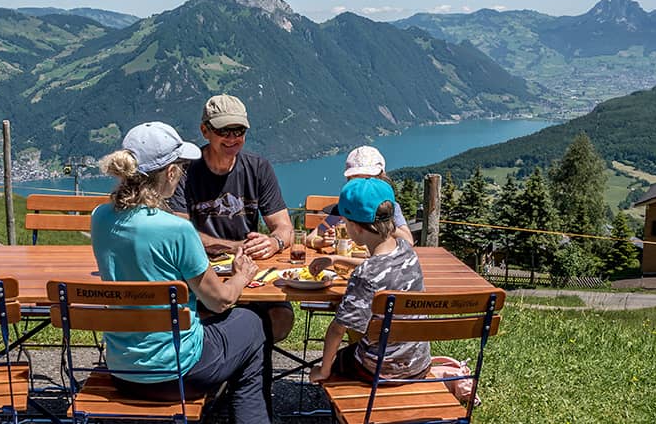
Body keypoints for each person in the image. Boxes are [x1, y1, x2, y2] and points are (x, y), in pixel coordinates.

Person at [91, 121, 270, 424]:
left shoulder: (101, 218)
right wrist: (242, 274)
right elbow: (220, 301)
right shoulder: (177, 229)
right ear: (171, 172)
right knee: (252, 324)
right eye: (181, 167)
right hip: (179, 372)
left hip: (122, 370)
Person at [169, 93, 295, 344]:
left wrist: (274, 243)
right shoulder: (185, 170)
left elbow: (284, 228)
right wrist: (237, 246)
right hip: (200, 275)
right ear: (205, 131)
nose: (232, 138)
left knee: (281, 319)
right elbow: (180, 234)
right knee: (226, 322)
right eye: (224, 130)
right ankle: (232, 362)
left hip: (250, 271)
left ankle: (242, 362)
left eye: (238, 130)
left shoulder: (258, 168)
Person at [309, 177, 431, 384]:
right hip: (418, 363)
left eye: (344, 222)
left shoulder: (364, 276)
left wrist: (323, 371)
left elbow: (338, 329)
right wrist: (337, 259)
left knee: (331, 363)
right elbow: (382, 270)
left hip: (381, 370)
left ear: (355, 227)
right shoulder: (407, 251)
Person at [306, 146, 415, 271]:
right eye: (357, 179)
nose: (363, 185)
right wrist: (322, 242)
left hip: (377, 269)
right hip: (348, 268)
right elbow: (310, 238)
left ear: (381, 178)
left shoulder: (389, 208)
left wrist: (379, 220)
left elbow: (408, 242)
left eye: (368, 178)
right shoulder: (345, 208)